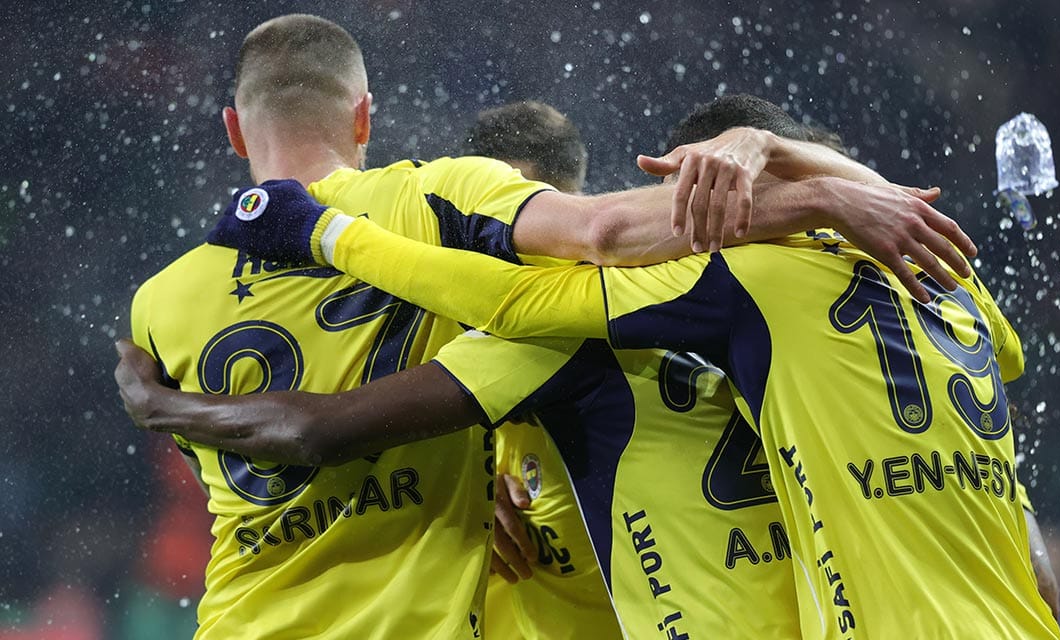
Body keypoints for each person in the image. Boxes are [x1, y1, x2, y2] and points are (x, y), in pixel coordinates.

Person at [130, 12, 974, 637]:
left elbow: (316, 431)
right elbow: (598, 237)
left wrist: (164, 405)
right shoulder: (441, 202)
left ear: (235, 129)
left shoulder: (159, 304)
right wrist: (828, 191)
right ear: (364, 117)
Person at [463, 100, 621, 640]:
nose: (521, 244)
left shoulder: (637, 311)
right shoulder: (438, 312)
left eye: (535, 216)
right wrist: (461, 484)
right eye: (502, 223)